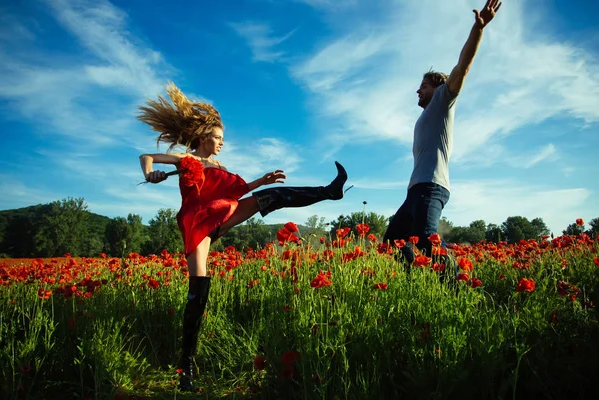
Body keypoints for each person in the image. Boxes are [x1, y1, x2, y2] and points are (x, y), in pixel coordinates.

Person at [137, 82, 348, 392]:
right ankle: (187, 367)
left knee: (271, 194)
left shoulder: (218, 165)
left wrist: (261, 180)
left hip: (222, 214)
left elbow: (235, 190)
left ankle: (329, 191)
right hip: (197, 222)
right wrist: (150, 173)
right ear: (204, 137)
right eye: (219, 138)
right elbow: (146, 156)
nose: (222, 143)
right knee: (199, 292)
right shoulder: (187, 160)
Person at [383, 0, 502, 270]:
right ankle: (413, 281)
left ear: (438, 87)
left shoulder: (442, 101)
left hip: (432, 187)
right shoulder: (426, 115)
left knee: (427, 239)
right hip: (415, 190)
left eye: (423, 86)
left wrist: (478, 29)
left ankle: (458, 284)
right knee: (393, 241)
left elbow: (462, 67)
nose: (417, 91)